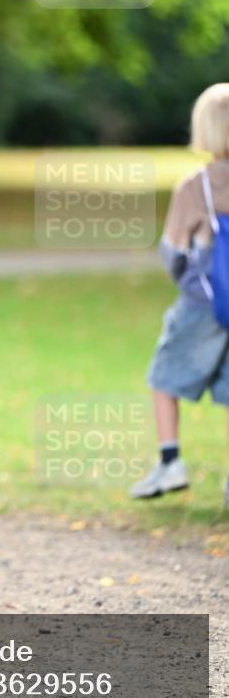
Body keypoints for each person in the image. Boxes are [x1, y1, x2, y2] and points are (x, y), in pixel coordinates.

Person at [130, 82, 229, 505]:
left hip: (203, 303)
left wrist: (186, 275)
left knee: (164, 376)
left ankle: (170, 462)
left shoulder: (195, 187)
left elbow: (172, 251)